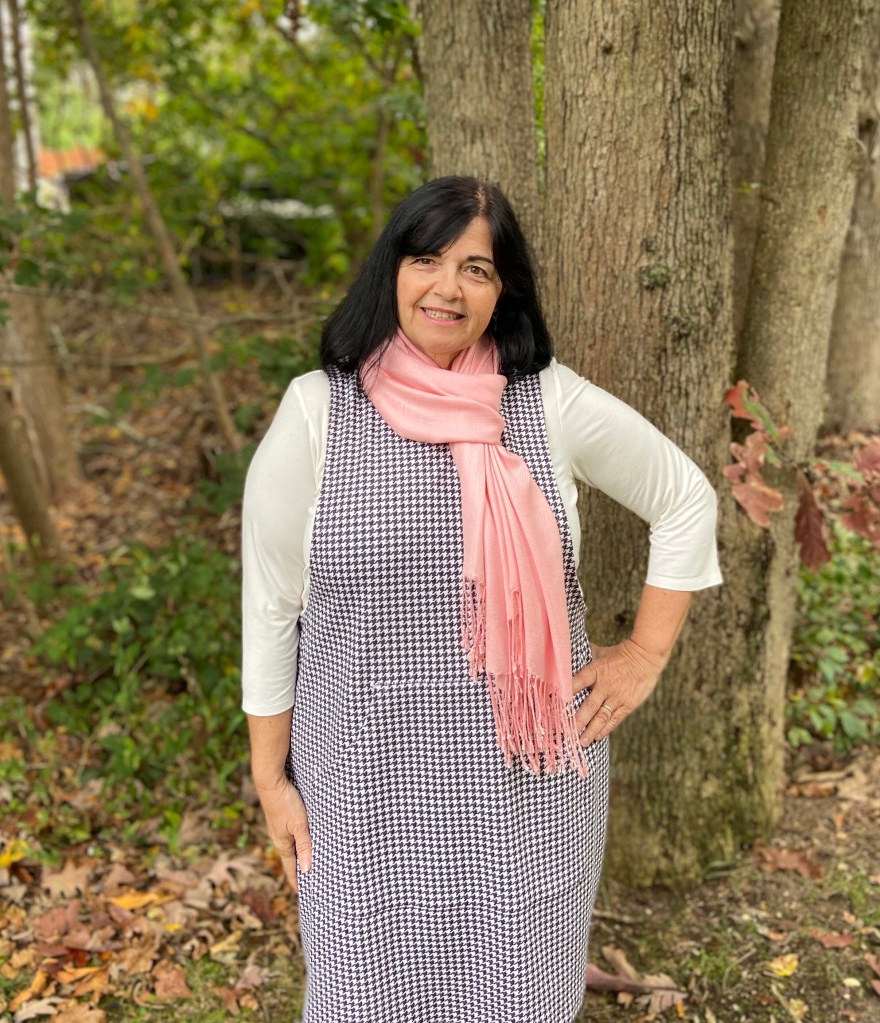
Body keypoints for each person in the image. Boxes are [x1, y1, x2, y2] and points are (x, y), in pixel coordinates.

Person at [242, 176, 721, 1022]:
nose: (448, 287)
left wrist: (643, 654)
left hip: (525, 788)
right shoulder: (318, 412)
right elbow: (272, 606)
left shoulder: (546, 401)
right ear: (392, 272)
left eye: (476, 268)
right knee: (364, 993)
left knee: (519, 994)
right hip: (364, 785)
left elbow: (684, 498)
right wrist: (270, 778)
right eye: (426, 260)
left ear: (503, 291)